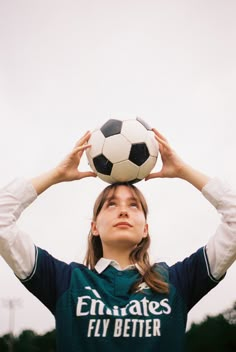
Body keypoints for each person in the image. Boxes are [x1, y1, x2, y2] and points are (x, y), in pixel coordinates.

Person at [0, 129, 235, 352]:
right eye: (111, 204)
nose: (123, 211)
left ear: (145, 228)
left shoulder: (177, 282)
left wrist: (184, 170)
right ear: (94, 227)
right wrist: (55, 174)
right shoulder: (65, 282)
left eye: (133, 205)